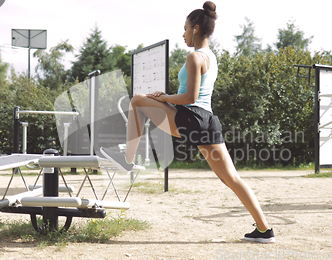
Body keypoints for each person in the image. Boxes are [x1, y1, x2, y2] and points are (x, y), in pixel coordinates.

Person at [101, 1, 275, 243]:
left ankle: (127, 160)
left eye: (184, 29)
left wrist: (164, 97)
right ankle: (265, 229)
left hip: (191, 117)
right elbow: (196, 96)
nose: (182, 34)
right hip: (209, 121)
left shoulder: (194, 57)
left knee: (138, 101)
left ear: (195, 28)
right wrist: (168, 100)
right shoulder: (210, 56)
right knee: (230, 178)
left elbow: (190, 98)